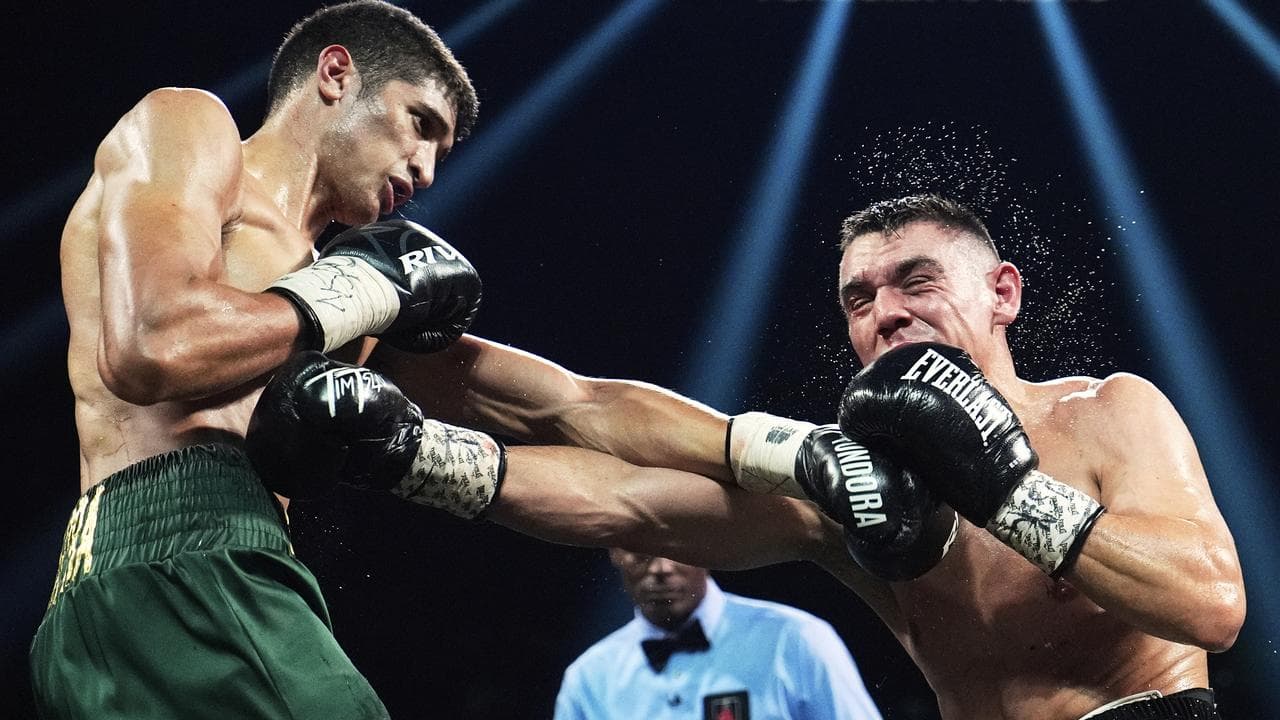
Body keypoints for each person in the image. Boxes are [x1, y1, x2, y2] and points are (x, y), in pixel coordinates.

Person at [33, 1, 873, 717]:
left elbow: (571, 405)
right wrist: (352, 293)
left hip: (126, 606)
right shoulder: (190, 125)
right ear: (336, 74)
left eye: (443, 151)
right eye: (420, 124)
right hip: (189, 566)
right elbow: (151, 348)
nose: (428, 170)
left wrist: (789, 454)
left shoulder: (346, 303)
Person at [553, 550, 883, 720]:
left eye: (674, 548)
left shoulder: (795, 640)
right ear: (615, 553)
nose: (662, 568)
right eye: (642, 553)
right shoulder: (588, 678)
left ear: (704, 549)